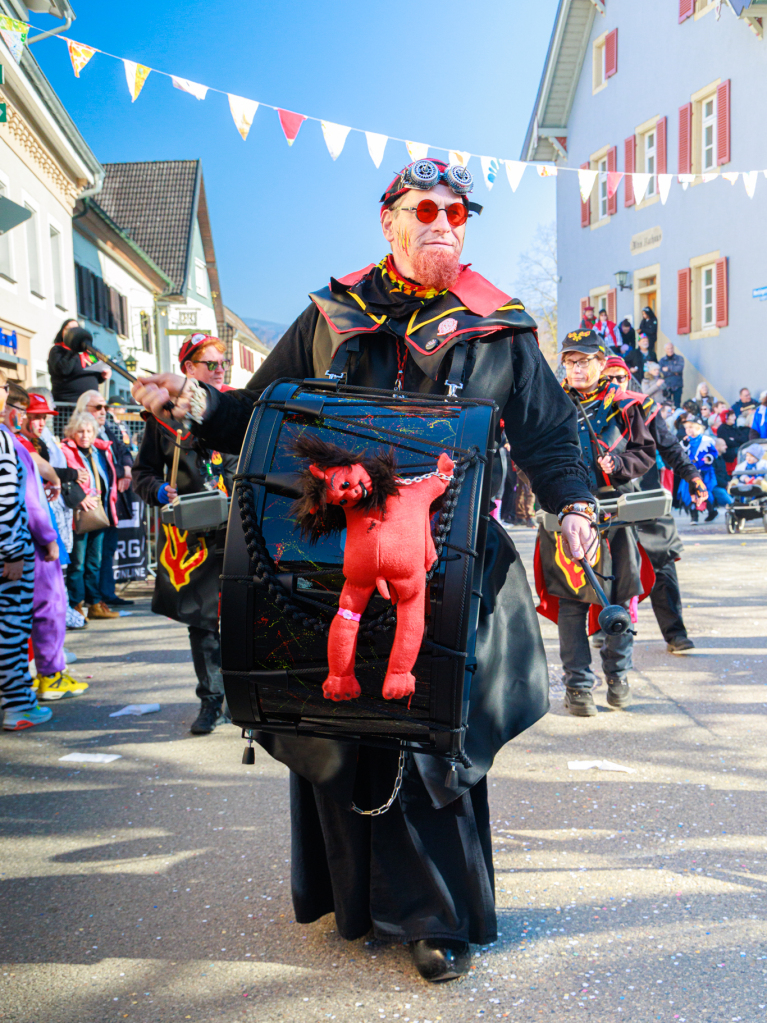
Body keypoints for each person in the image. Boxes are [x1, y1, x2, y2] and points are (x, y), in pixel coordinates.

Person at [130, 159, 595, 982]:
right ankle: (356, 901)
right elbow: (260, 413)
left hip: (446, 568)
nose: (443, 221)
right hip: (330, 557)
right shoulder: (331, 315)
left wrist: (575, 507)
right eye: (425, 209)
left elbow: (550, 435)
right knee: (335, 718)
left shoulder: (500, 327)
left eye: (458, 210)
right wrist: (197, 404)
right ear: (389, 221)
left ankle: (434, 916)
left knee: (430, 737)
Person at [534, 331, 655, 718]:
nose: (578, 367)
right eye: (571, 361)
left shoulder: (626, 406)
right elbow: (531, 457)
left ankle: (618, 681)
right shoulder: (549, 403)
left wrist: (618, 466)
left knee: (619, 598)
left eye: (586, 360)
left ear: (603, 364)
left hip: (614, 515)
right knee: (571, 603)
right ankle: (579, 689)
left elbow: (645, 452)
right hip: (565, 517)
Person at [132, 333, 237, 737]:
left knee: (245, 619)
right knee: (205, 624)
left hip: (240, 532)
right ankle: (211, 701)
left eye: (222, 364)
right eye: (211, 365)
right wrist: (160, 490)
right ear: (189, 370)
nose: (219, 370)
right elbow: (142, 474)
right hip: (193, 538)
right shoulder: (162, 419)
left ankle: (244, 700)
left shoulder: (236, 408)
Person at [603, 356, 705, 654]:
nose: (614, 384)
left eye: (619, 378)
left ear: (628, 379)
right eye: (608, 378)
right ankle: (603, 630)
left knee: (662, 565)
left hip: (645, 497)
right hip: (606, 500)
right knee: (606, 569)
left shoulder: (642, 406)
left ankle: (675, 634)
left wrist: (693, 477)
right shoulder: (587, 411)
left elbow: (670, 446)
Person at [0, 370, 55, 730]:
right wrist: (13, 553)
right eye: (3, 389)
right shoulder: (3, 440)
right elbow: (5, 499)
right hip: (8, 557)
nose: (6, 395)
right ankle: (18, 706)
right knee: (12, 631)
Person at [74, 390, 135, 607]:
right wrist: (121, 471)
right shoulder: (84, 433)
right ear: (84, 409)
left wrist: (126, 469)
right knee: (88, 558)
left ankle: (106, 595)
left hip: (111, 502)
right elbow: (102, 468)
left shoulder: (107, 428)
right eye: (98, 407)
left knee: (107, 550)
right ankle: (89, 600)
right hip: (93, 504)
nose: (104, 411)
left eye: (105, 407)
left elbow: (124, 450)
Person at [61, 412, 119, 619]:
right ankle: (76, 605)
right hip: (79, 514)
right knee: (78, 563)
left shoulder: (99, 451)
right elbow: (64, 477)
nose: (85, 435)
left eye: (89, 431)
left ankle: (94, 604)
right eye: (80, 431)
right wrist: (79, 497)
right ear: (72, 432)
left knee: (95, 561)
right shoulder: (65, 451)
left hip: (99, 511)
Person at [678, 417, 733, 522]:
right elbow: (681, 453)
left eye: (691, 427)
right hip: (690, 471)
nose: (688, 430)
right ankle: (694, 517)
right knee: (689, 493)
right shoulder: (685, 441)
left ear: (698, 428)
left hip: (705, 472)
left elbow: (714, 453)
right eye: (687, 428)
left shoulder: (707, 440)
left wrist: (709, 458)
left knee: (706, 492)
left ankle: (712, 511)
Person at [48, 320, 112, 403]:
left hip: (90, 403)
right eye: (68, 329)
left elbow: (96, 376)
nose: (72, 332)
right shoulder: (58, 350)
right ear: (62, 332)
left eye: (75, 329)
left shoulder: (89, 352)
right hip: (69, 403)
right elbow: (63, 370)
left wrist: (103, 375)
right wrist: (73, 349)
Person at [658, 343, 685, 408]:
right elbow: (661, 373)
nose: (670, 350)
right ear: (665, 350)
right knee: (667, 405)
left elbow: (679, 369)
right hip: (666, 386)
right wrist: (674, 372)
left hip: (677, 385)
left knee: (677, 405)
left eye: (671, 348)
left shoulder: (679, 358)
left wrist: (668, 369)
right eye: (668, 348)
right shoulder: (662, 360)